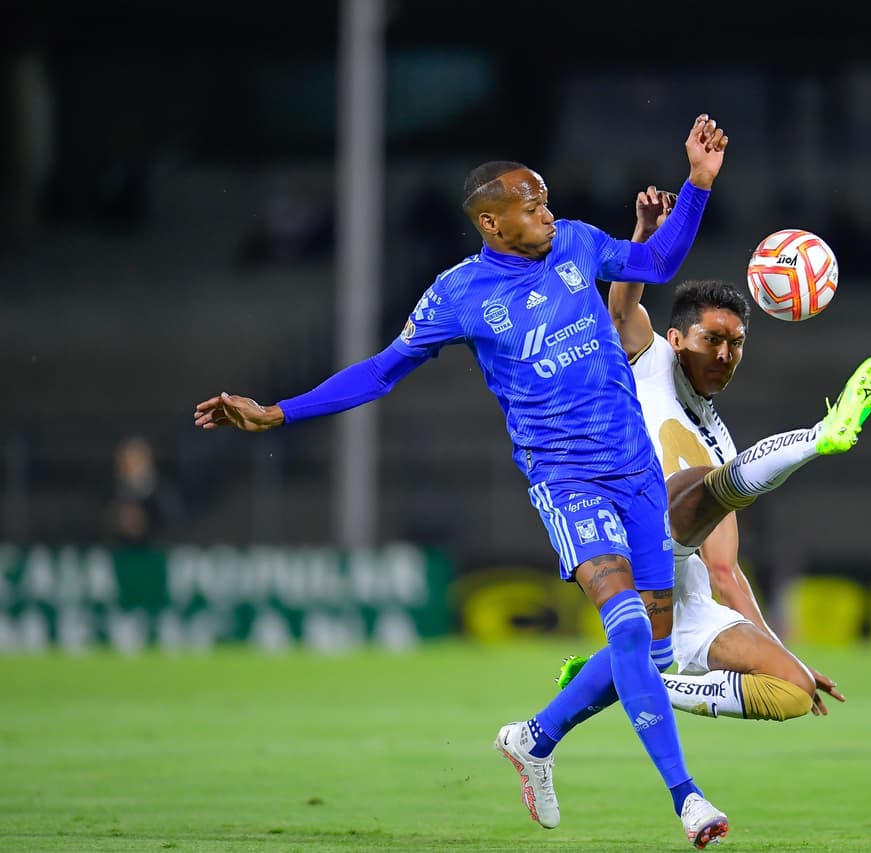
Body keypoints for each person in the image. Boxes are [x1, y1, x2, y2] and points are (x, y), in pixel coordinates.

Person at [194, 114, 734, 849]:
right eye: (531, 204)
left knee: (656, 650)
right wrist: (279, 412)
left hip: (636, 468)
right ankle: (689, 799)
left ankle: (534, 737)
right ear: (492, 221)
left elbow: (661, 264)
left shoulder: (576, 243)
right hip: (567, 478)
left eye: (545, 200)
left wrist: (698, 184)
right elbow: (382, 369)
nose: (548, 211)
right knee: (630, 626)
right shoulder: (458, 293)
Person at [556, 187, 871, 723]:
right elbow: (620, 312)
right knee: (708, 483)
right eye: (711, 338)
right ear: (676, 337)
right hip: (632, 542)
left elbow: (725, 570)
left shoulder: (723, 440)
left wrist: (786, 654)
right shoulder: (652, 362)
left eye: (735, 344)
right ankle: (822, 435)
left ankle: (636, 680)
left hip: (685, 607)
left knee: (794, 690)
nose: (723, 354)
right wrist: (643, 235)